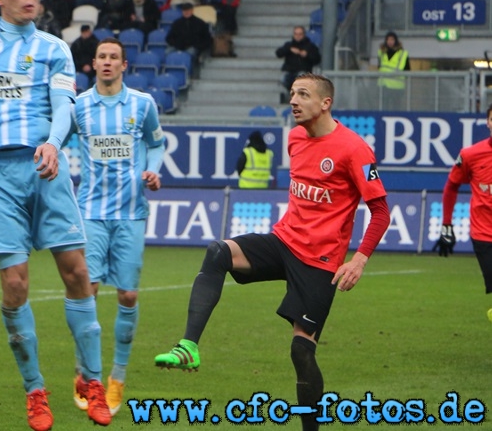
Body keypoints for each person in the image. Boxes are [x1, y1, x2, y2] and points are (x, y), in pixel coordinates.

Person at [153, 73, 391, 431]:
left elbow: (381, 211)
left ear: (325, 103)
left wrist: (359, 259)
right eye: (292, 93)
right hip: (284, 242)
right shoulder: (295, 138)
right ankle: (189, 345)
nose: (293, 100)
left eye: (304, 94)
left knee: (301, 351)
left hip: (320, 262)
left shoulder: (354, 149)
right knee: (219, 251)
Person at [0, 0, 112, 430]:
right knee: (15, 284)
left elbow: (65, 105)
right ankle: (36, 391)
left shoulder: (54, 48)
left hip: (46, 168)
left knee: (77, 273)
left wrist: (54, 144)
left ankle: (92, 381)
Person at [71, 37, 164, 415]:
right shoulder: (78, 107)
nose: (107, 62)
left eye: (114, 57)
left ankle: (117, 376)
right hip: (90, 211)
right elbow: (58, 141)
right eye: (102, 57)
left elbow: (156, 144)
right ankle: (84, 372)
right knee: (87, 291)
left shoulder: (143, 104)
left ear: (124, 65)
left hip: (130, 213)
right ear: (93, 64)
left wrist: (152, 171)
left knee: (127, 296)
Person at [439, 103, 492, 324]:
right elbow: (451, 187)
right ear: (488, 122)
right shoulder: (471, 155)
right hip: (484, 235)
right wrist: (447, 225)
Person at [276, 25, 321, 102]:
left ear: (304, 35)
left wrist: (307, 55)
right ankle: (287, 97)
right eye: (296, 34)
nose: (297, 36)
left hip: (303, 70)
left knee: (301, 78)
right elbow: (278, 53)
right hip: (289, 70)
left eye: (300, 34)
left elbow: (317, 59)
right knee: (283, 78)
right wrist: (289, 49)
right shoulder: (289, 45)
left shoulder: (310, 46)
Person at [376, 31, 409, 110]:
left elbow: (407, 69)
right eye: (388, 40)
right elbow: (379, 67)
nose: (390, 42)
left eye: (392, 40)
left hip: (397, 86)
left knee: (396, 107)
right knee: (384, 107)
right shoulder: (381, 52)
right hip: (383, 85)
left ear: (396, 41)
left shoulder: (403, 53)